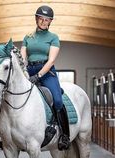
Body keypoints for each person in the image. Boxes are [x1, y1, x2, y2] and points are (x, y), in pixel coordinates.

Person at [21, 5, 70, 150]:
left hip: (47, 72)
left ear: (50, 21)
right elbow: (23, 57)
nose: (43, 21)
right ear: (36, 19)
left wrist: (39, 76)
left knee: (57, 100)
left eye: (46, 19)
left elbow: (51, 60)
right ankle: (7, 134)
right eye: (41, 18)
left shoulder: (53, 38)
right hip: (29, 70)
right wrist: (24, 71)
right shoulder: (28, 37)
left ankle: (64, 135)